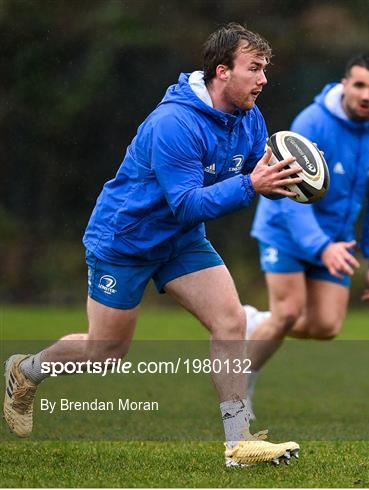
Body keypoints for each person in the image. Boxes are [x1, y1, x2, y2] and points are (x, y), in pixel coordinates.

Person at [3, 23, 302, 467]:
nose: (263, 79)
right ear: (222, 71)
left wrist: (287, 179)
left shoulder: (249, 116)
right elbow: (186, 202)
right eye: (254, 69)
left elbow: (256, 171)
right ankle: (25, 371)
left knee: (230, 320)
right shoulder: (174, 123)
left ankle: (238, 442)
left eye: (264, 70)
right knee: (105, 353)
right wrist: (252, 185)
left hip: (180, 242)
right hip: (124, 241)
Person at [245, 54, 369, 418]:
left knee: (326, 326)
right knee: (287, 312)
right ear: (345, 83)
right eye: (360, 85)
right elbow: (287, 195)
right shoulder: (312, 122)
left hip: (336, 238)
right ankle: (240, 389)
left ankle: (254, 323)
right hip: (285, 228)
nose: (367, 94)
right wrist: (321, 246)